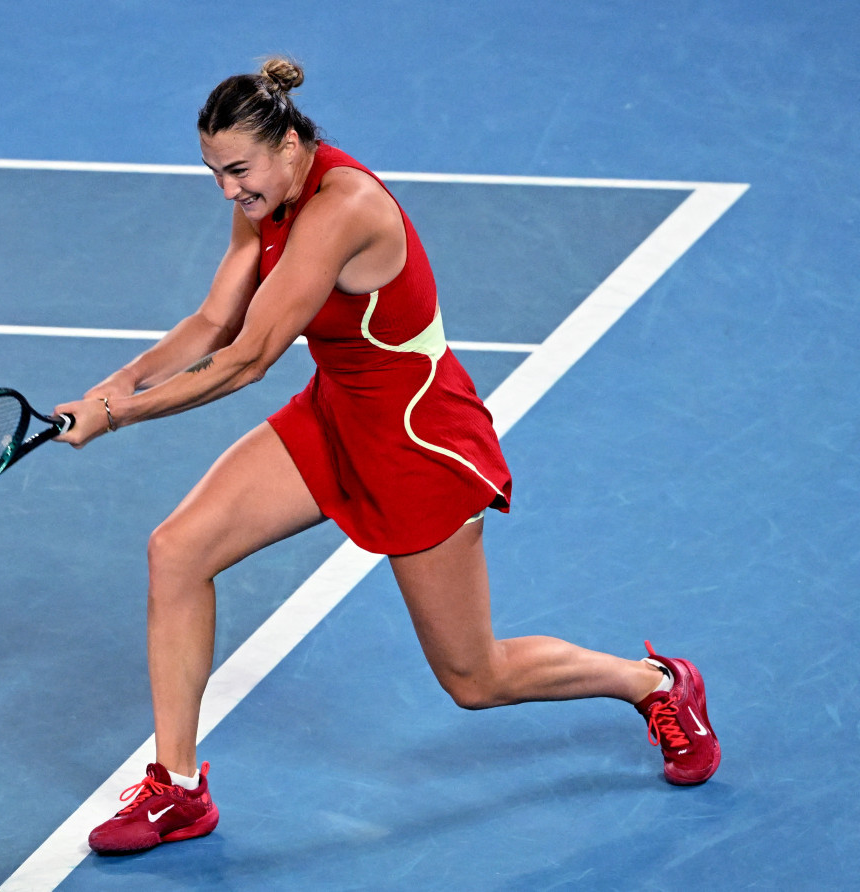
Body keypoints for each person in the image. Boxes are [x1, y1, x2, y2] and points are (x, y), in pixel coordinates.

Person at [55, 57, 720, 856]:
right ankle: (179, 790)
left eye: (238, 170)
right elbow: (212, 324)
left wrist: (119, 416)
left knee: (475, 680)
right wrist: (104, 390)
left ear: (292, 144)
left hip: (417, 440)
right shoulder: (264, 197)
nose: (228, 190)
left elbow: (250, 359)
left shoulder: (344, 209)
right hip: (338, 413)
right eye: (215, 173)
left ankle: (656, 685)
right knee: (178, 550)